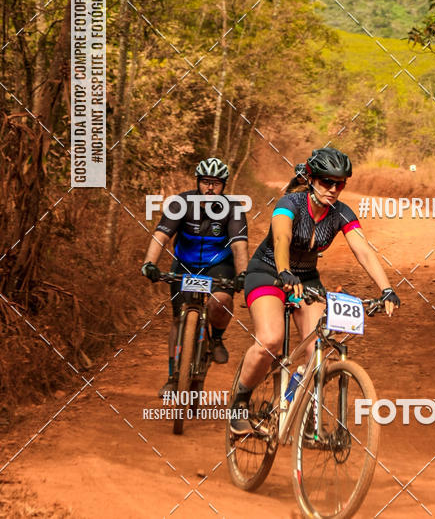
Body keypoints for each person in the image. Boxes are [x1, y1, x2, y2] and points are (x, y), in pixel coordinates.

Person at [229, 146, 400, 434]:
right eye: (326, 181)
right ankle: (240, 403)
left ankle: (301, 403)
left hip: (306, 279)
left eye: (340, 183)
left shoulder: (341, 213)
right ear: (311, 179)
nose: (333, 189)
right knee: (271, 340)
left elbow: (364, 250)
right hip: (268, 272)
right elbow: (282, 238)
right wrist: (283, 271)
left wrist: (386, 289)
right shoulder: (291, 203)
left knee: (317, 349)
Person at [141, 157, 249, 397]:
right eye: (205, 182)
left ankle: (217, 339)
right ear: (198, 182)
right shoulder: (181, 203)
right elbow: (161, 235)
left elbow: (239, 246)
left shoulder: (234, 209)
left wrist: (242, 274)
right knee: (178, 320)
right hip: (185, 264)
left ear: (224, 186)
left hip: (218, 265)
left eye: (216, 183)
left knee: (221, 301)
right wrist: (150, 263)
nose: (210, 188)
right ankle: (172, 377)